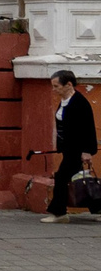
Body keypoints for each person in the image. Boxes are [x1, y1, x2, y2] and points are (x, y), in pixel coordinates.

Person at [43, 69, 98, 223]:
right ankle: (98, 208)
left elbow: (88, 128)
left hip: (77, 149)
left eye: (56, 86)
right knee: (81, 179)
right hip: (68, 149)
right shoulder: (65, 101)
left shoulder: (80, 103)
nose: (54, 90)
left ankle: (59, 213)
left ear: (68, 84)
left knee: (61, 177)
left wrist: (87, 151)